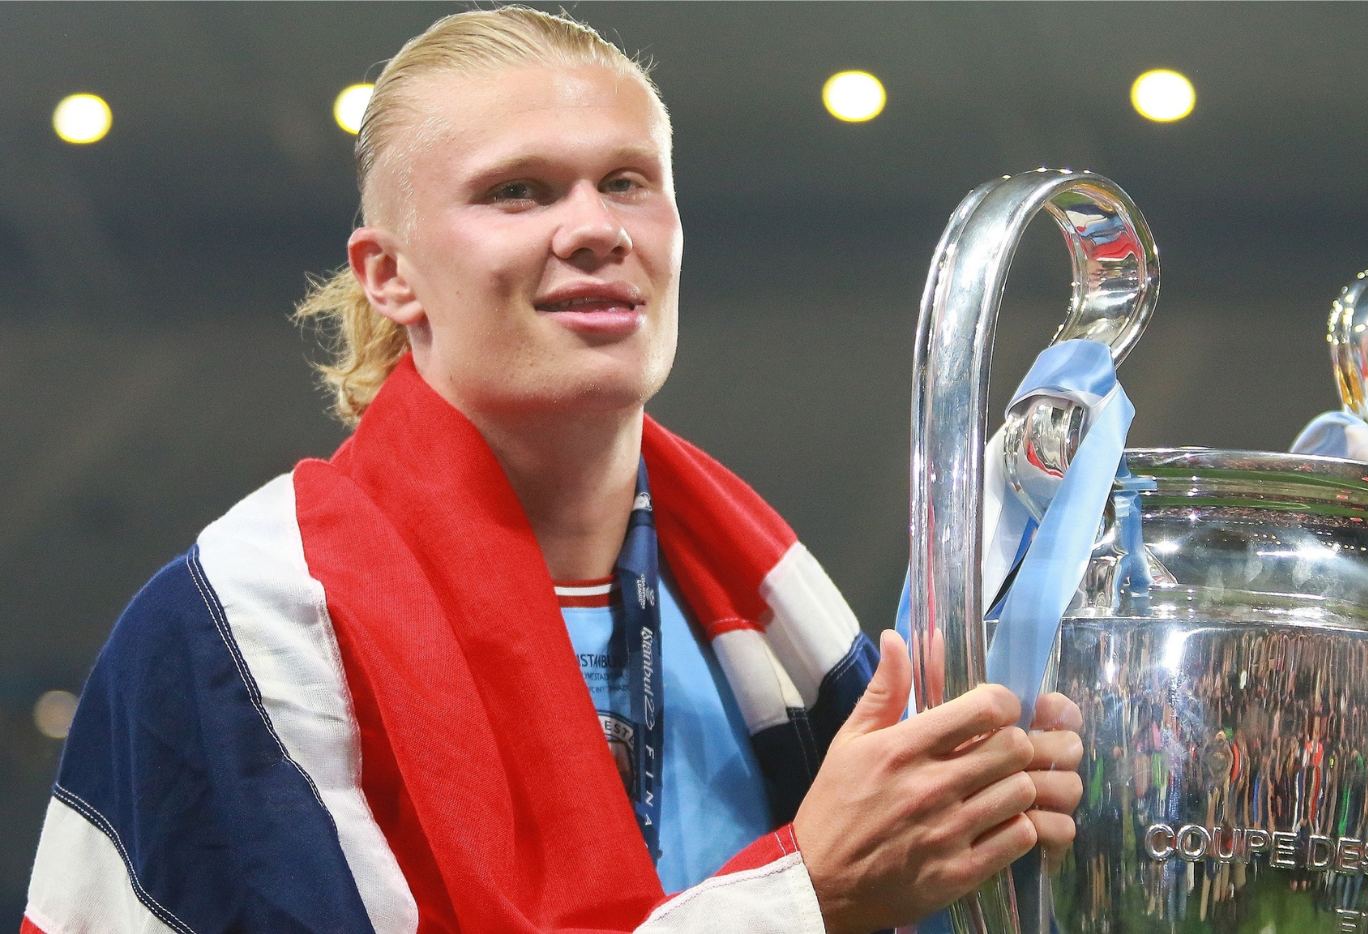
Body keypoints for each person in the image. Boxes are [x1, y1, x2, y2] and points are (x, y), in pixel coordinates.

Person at [20, 7, 1083, 933]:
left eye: (627, 182)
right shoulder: (236, 635)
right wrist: (804, 893)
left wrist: (1004, 834)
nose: (594, 229)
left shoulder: (776, 640)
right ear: (389, 275)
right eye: (518, 191)